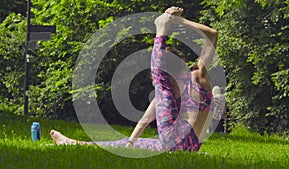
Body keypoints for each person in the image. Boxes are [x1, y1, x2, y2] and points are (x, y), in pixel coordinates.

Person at [50, 6, 218, 152]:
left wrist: (175, 22)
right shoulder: (175, 90)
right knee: (126, 144)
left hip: (178, 142)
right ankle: (73, 143)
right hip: (185, 146)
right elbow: (145, 119)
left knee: (160, 84)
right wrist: (130, 142)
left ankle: (161, 30)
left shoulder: (194, 77)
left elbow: (212, 35)